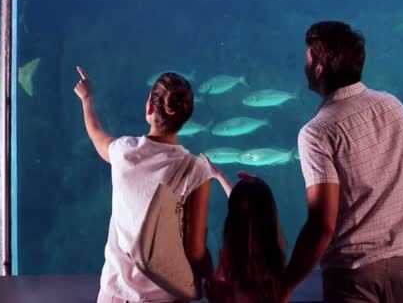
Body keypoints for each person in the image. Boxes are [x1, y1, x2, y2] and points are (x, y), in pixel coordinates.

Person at [283, 21, 403, 303]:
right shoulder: (395, 107)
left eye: (308, 59)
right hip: (401, 265)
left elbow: (322, 224)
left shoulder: (317, 132)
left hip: (353, 275)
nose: (305, 65)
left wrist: (286, 283)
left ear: (319, 68)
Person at [73, 67, 214, 303]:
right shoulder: (196, 170)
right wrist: (210, 276)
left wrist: (87, 99)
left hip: (115, 294)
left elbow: (97, 134)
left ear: (149, 107)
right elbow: (195, 251)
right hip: (167, 296)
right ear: (185, 117)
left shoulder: (124, 152)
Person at [200, 156, 287, 303]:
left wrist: (204, 257)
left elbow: (216, 292)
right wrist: (258, 189)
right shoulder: (277, 251)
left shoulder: (231, 261)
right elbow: (254, 217)